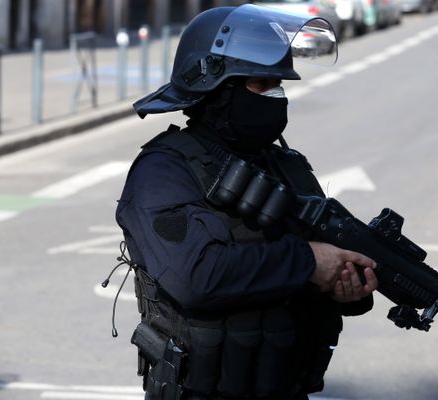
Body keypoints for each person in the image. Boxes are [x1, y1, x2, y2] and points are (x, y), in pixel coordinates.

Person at [115, 4, 379, 399]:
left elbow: (319, 265)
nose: (277, 96)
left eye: (280, 85)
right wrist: (309, 263)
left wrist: (347, 287)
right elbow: (198, 278)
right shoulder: (163, 173)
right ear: (217, 90)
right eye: (261, 84)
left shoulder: (285, 166)